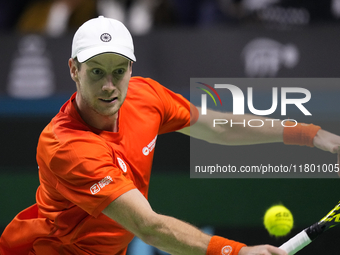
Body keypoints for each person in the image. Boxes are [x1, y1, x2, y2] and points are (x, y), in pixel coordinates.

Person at [1, 16, 340, 255]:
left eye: (119, 72)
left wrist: (311, 134)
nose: (109, 85)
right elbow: (149, 227)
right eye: (96, 72)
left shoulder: (144, 95)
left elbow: (218, 126)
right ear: (74, 69)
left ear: (131, 69)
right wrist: (237, 252)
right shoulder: (66, 146)